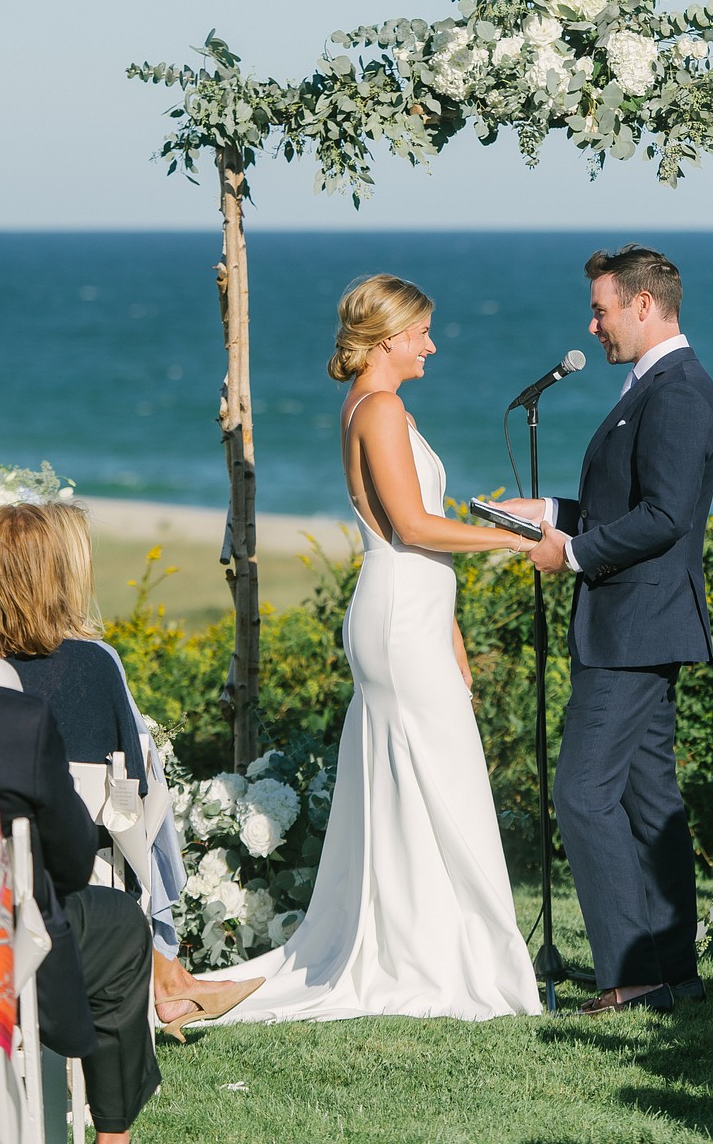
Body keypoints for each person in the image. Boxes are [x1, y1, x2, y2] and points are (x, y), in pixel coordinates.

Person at [199, 273, 541, 1021]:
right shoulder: (379, 407)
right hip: (395, 619)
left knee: (423, 783)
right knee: (439, 782)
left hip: (413, 614)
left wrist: (450, 627)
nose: (432, 343)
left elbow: (409, 538)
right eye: (422, 332)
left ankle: (432, 944)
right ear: (389, 338)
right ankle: (426, 957)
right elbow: (414, 529)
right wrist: (518, 541)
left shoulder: (377, 405)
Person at [505, 246, 713, 1014]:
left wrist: (571, 553)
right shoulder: (656, 386)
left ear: (642, 305)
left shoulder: (677, 392)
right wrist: (554, 515)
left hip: (636, 625)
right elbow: (635, 503)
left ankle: (631, 973)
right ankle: (672, 971)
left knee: (582, 793)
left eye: (600, 309)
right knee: (646, 799)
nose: (591, 324)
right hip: (638, 620)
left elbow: (668, 517)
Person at [0, 502, 263, 1040]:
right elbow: (133, 783)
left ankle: (169, 980)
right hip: (80, 872)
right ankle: (166, 974)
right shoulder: (95, 664)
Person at [0, 684, 160, 1144]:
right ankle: (112, 1136)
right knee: (122, 927)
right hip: (9, 949)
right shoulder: (16, 720)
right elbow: (71, 859)